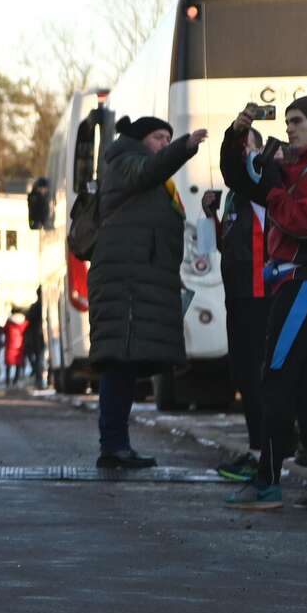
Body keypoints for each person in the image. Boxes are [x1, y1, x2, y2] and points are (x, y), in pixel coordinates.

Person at [220, 97, 307, 511]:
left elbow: (301, 223)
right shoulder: (294, 165)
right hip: (292, 284)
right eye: (289, 121)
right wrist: (237, 133)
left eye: (298, 122)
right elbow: (239, 178)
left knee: (276, 376)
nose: (290, 128)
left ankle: (268, 484)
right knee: (297, 384)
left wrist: (274, 186)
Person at [89, 115, 206, 471]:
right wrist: (182, 149)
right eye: (159, 137)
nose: (163, 143)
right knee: (119, 364)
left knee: (125, 365)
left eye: (168, 138)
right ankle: (113, 446)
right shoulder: (126, 163)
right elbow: (148, 170)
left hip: (139, 281)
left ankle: (117, 445)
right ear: (140, 140)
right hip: (125, 284)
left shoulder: (147, 173)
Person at [204, 153, 268, 482]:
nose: (244, 156)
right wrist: (210, 215)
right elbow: (221, 245)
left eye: (249, 150)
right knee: (243, 375)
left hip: (258, 295)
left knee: (257, 377)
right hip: (236, 295)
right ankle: (257, 447)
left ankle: (263, 452)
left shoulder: (260, 193)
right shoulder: (233, 199)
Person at [4, 308, 28, 387]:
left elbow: (4, 330)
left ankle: (7, 381)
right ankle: (15, 380)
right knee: (18, 364)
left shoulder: (9, 323)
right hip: (19, 346)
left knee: (8, 365)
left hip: (10, 346)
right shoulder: (24, 323)